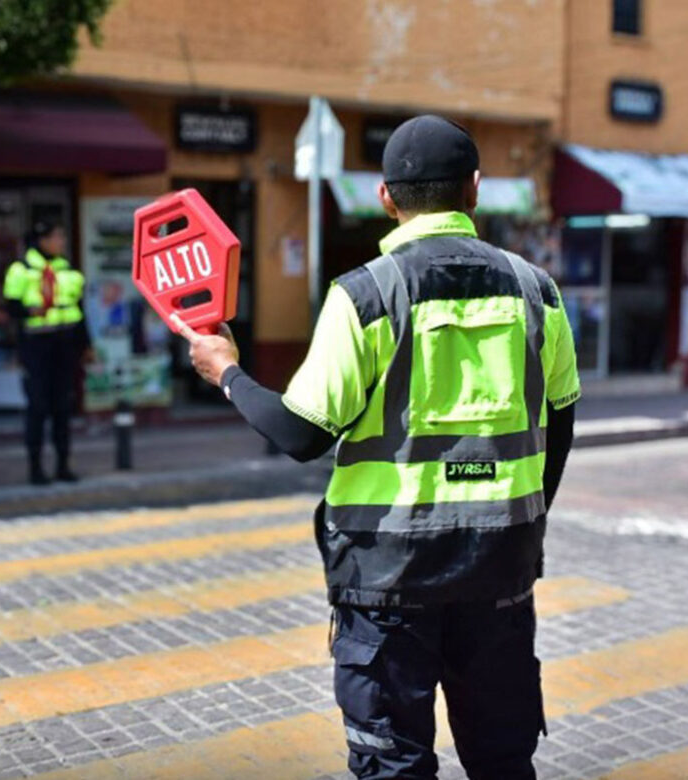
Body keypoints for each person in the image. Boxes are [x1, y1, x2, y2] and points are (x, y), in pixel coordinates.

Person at [175, 115, 581, 780]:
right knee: (504, 761)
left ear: (385, 197)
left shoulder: (363, 296)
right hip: (501, 569)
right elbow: (559, 422)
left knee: (393, 766)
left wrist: (228, 372)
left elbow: (301, 433)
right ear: (474, 190)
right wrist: (524, 520)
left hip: (388, 579)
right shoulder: (539, 292)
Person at [3, 221, 90, 485]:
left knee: (63, 406)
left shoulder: (69, 271)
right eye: (57, 236)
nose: (61, 241)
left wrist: (86, 346)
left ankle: (63, 465)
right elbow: (11, 308)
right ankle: (36, 468)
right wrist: (30, 312)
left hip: (64, 344)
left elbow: (79, 310)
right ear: (42, 240)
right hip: (36, 345)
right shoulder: (20, 270)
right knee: (38, 407)